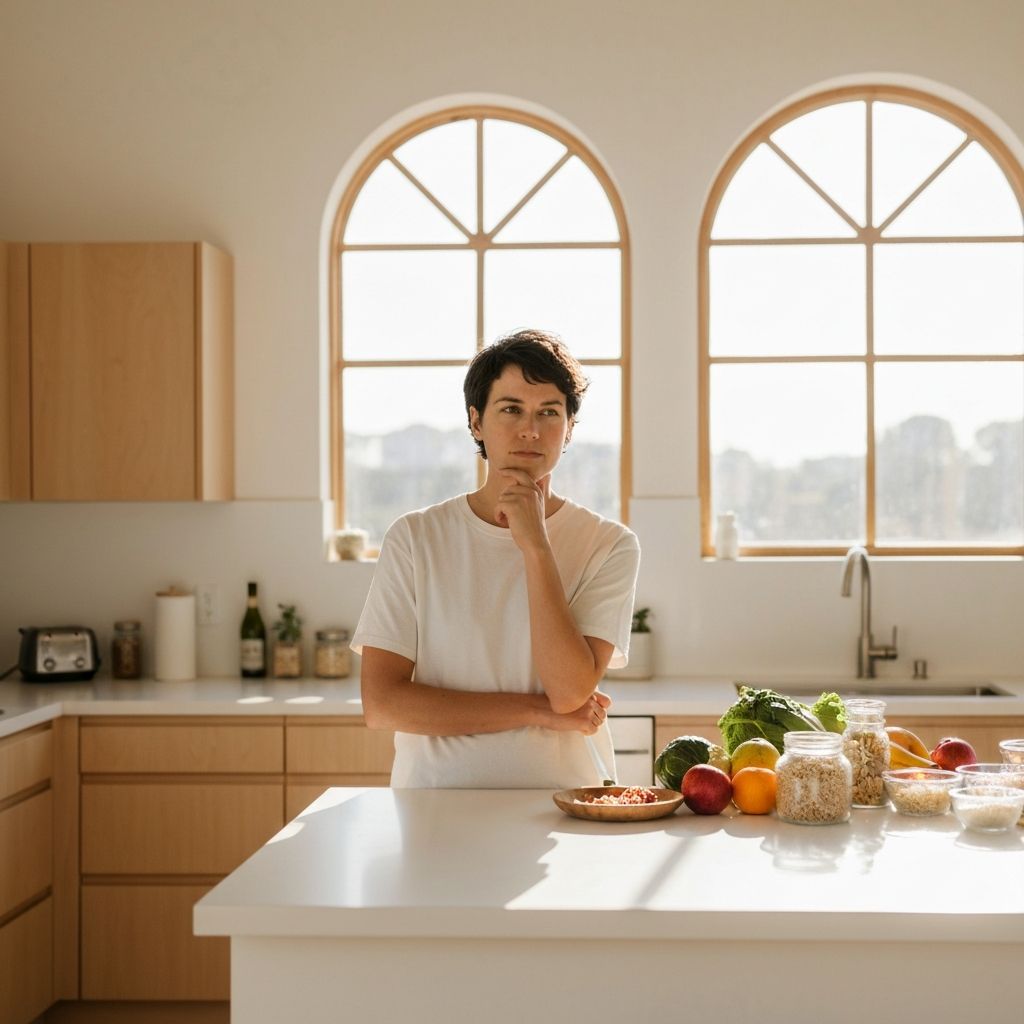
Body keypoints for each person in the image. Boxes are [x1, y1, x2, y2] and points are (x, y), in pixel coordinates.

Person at [352, 329, 641, 788]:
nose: (531, 429)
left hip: (562, 805)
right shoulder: (415, 537)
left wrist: (536, 546)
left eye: (550, 412)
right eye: (511, 409)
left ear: (569, 429)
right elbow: (384, 704)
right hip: (434, 806)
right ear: (476, 422)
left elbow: (569, 693)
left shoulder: (608, 544)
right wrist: (536, 712)